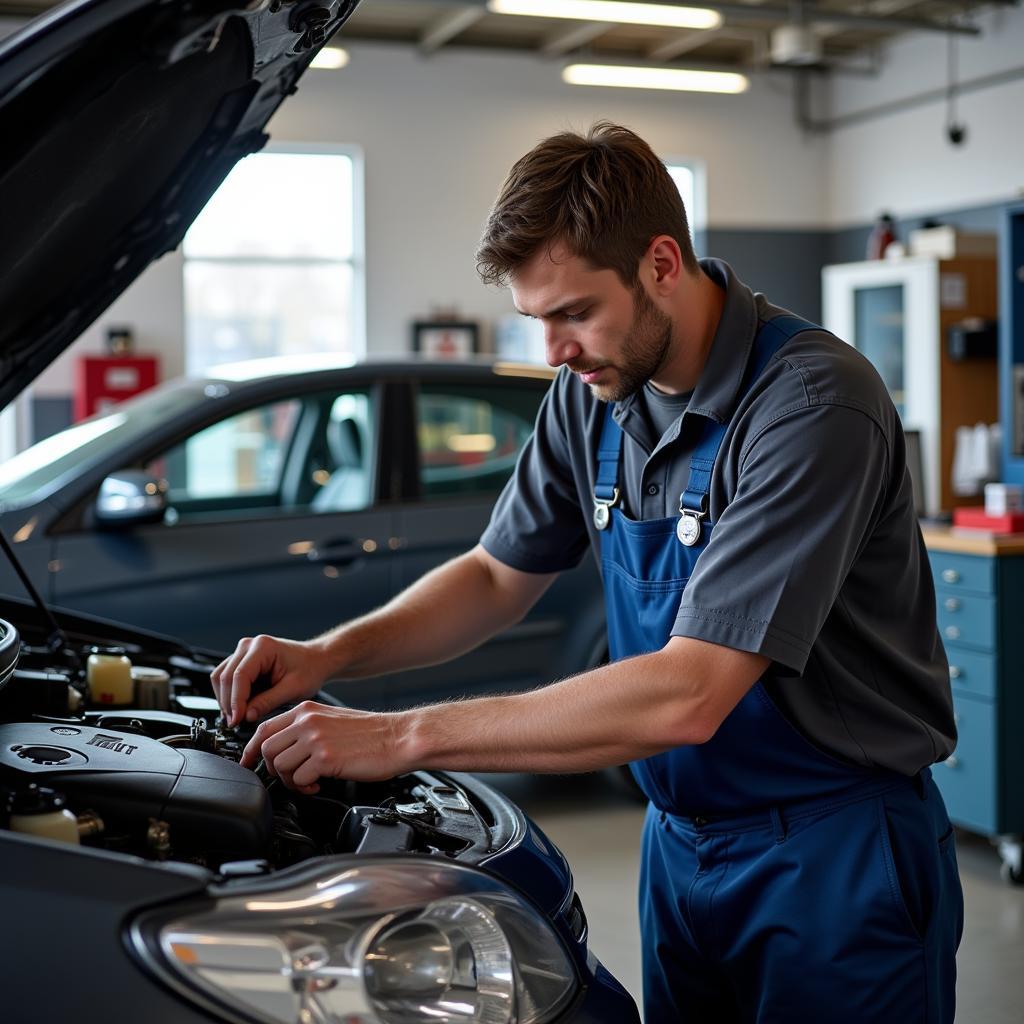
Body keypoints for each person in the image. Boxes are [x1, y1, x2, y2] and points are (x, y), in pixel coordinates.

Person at [216, 122, 963, 1023]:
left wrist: (399, 737)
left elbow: (689, 693)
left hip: (834, 855)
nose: (555, 352)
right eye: (539, 320)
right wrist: (328, 655)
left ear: (660, 263)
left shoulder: (811, 406)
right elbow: (497, 576)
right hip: (682, 847)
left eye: (574, 313)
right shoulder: (591, 397)